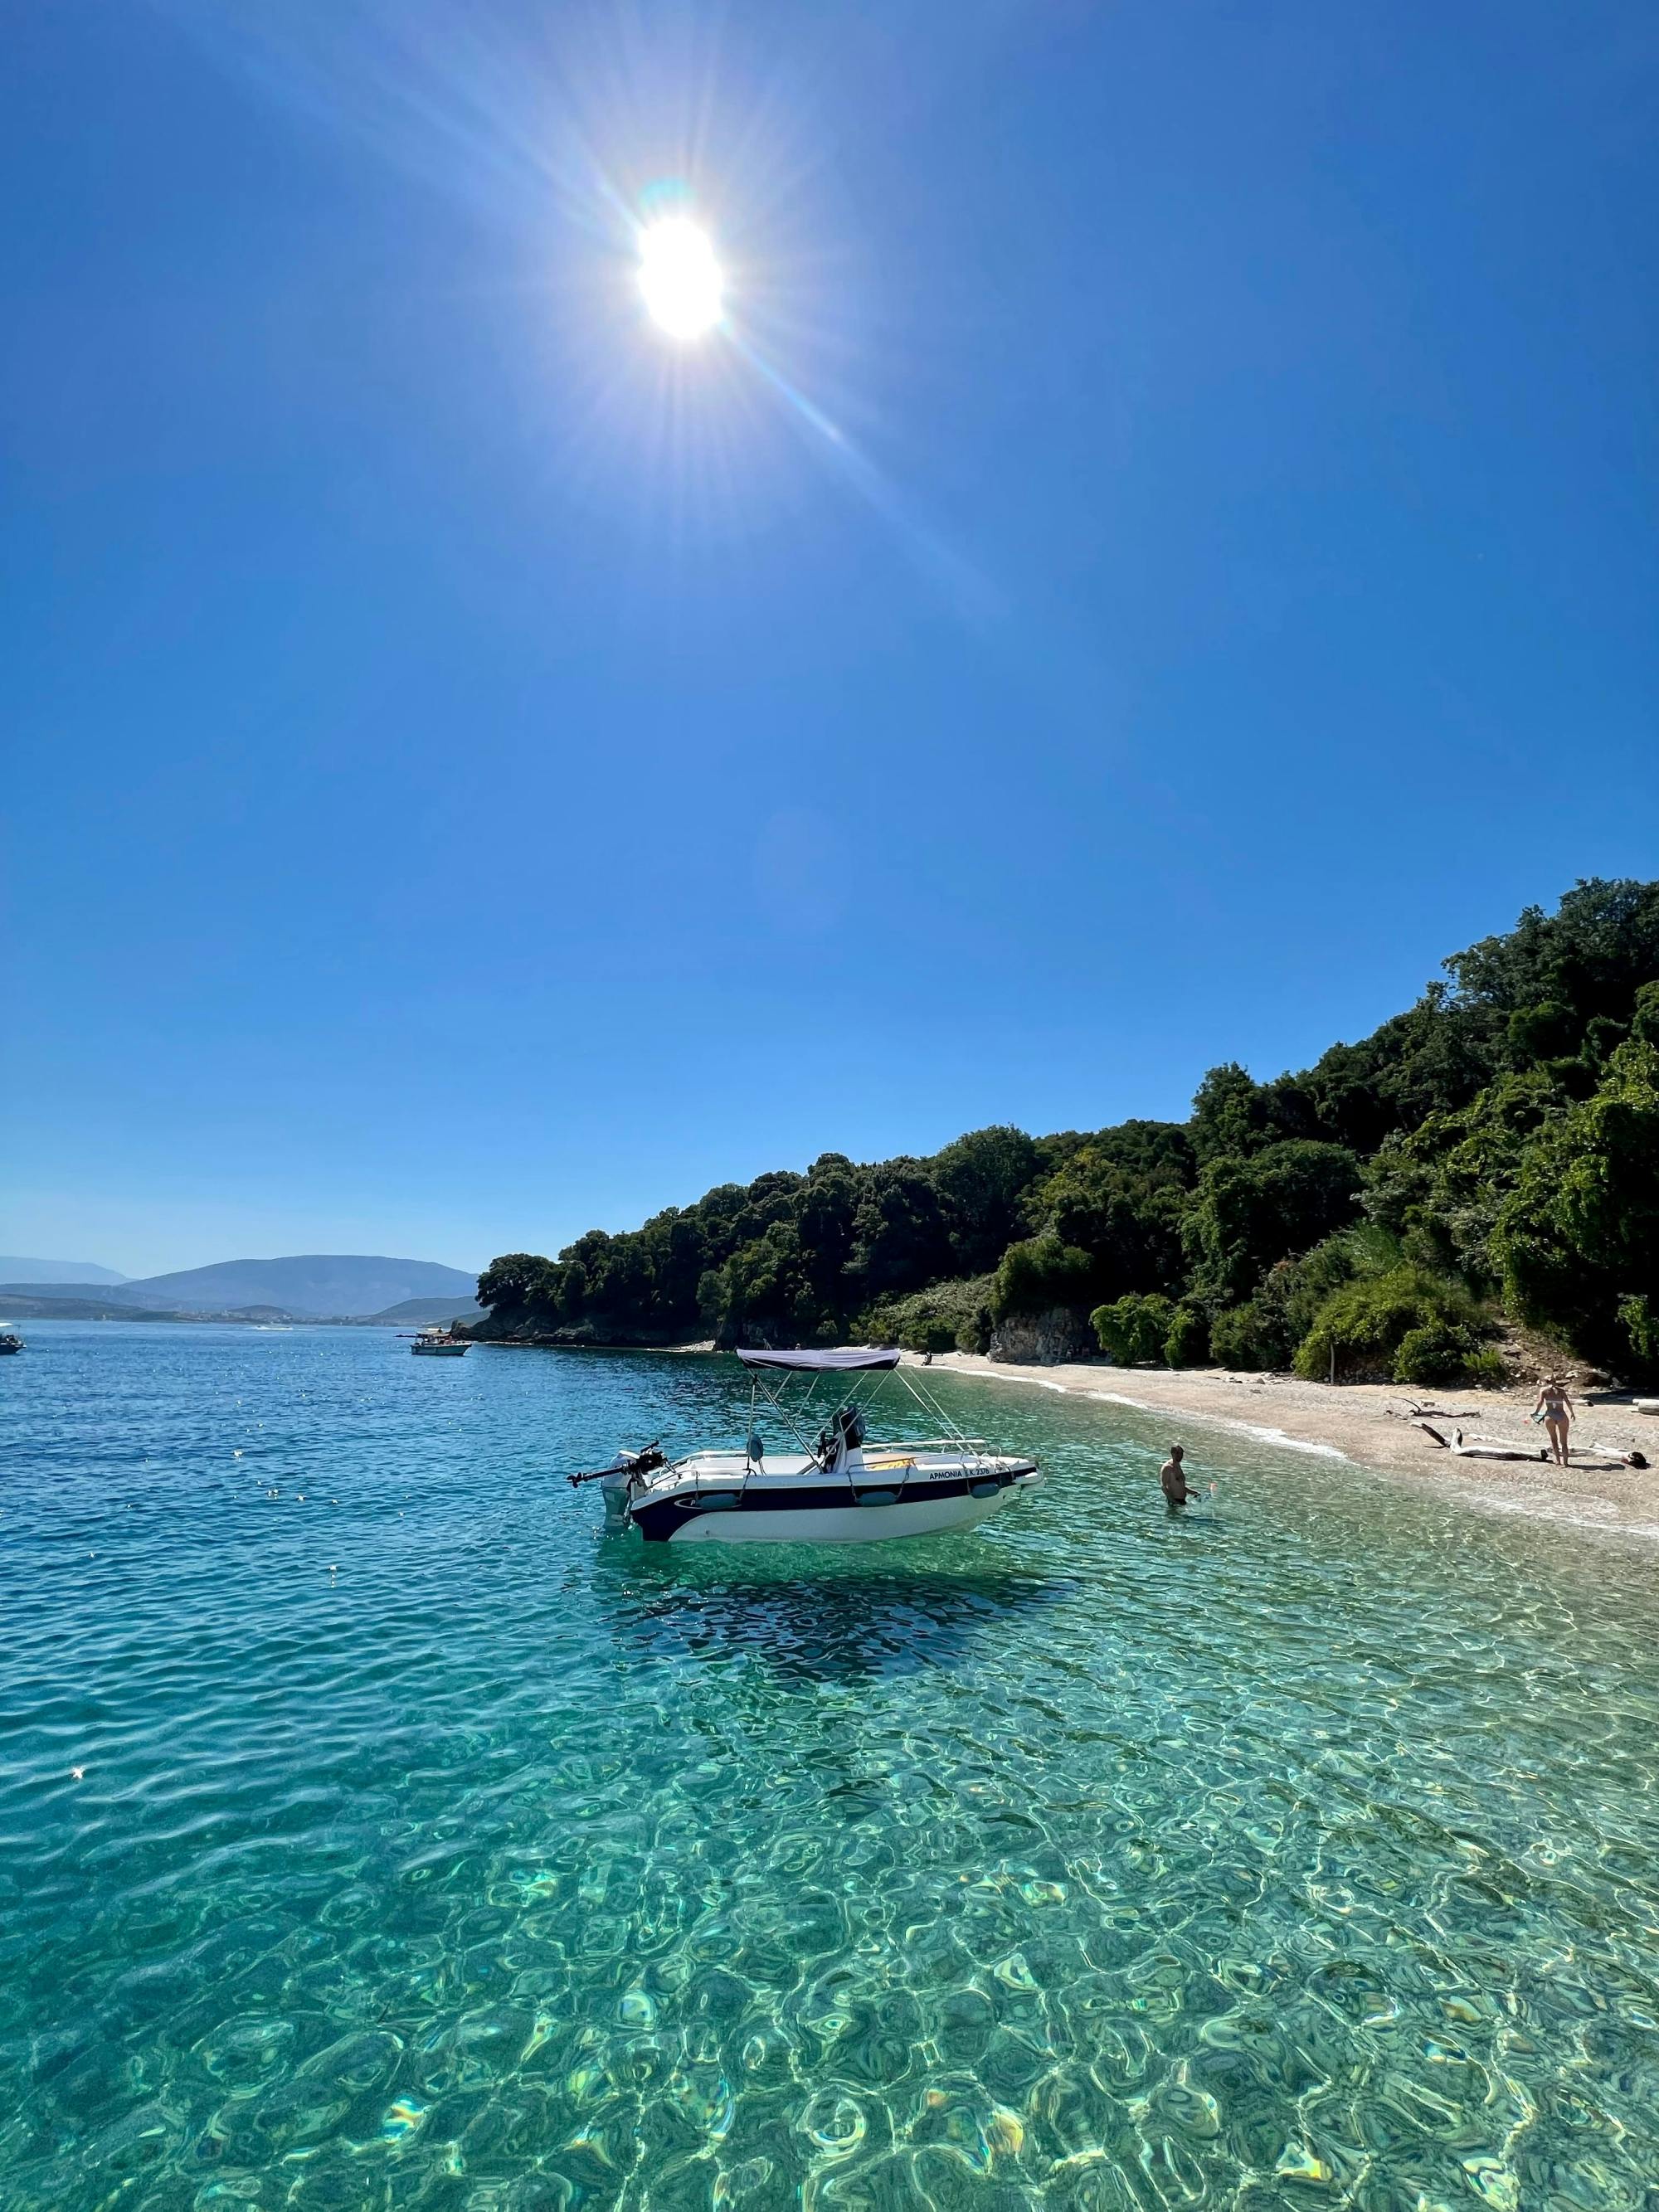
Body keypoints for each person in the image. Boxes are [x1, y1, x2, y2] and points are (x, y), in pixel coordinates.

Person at [1532, 1378, 1575, 1468]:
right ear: (1556, 1382)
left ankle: (1558, 1461)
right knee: (1564, 1442)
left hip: (1550, 1416)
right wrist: (1572, 1413)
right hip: (1561, 1415)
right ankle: (1566, 1463)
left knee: (1553, 1440)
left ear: (1546, 1382)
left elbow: (1540, 1403)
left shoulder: (1544, 1391)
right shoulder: (1561, 1391)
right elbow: (1568, 1403)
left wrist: (1536, 1413)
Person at [1160, 1443, 1197, 1511]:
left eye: (1181, 1453)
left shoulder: (1178, 1465)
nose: (1180, 1456)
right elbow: (1164, 1487)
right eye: (1177, 1453)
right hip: (1174, 1503)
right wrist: (1174, 1502)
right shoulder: (1167, 1467)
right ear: (1172, 1453)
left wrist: (1195, 1493)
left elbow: (1180, 1486)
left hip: (1182, 1502)